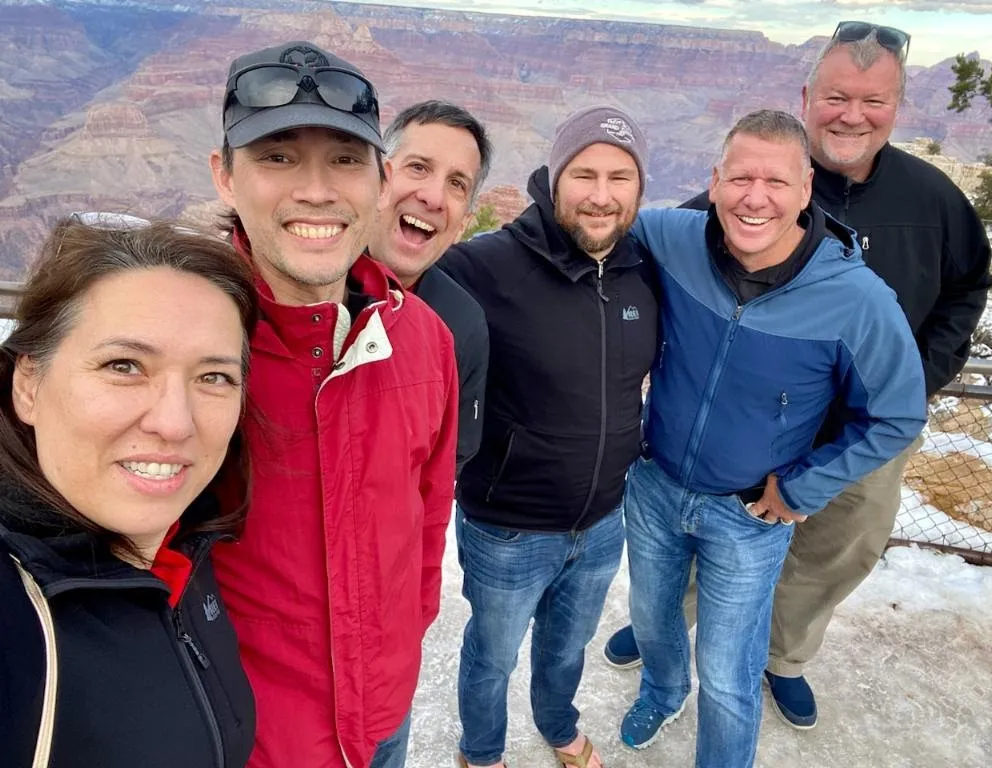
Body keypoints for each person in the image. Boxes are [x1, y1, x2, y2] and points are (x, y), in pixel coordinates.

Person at [604, 22, 992, 731]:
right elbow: (663, 252)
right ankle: (668, 634)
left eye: (873, 101)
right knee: (703, 544)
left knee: (832, 549)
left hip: (859, 428)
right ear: (808, 97)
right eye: (838, 96)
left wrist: (922, 370)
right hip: (740, 422)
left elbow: (969, 286)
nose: (852, 114)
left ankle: (782, 657)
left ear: (898, 106)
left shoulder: (933, 199)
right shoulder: (736, 198)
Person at [617, 110, 926, 766]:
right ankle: (663, 688)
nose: (755, 198)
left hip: (749, 516)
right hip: (654, 486)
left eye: (776, 182)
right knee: (651, 620)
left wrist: (805, 485)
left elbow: (899, 414)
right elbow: (595, 220)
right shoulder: (673, 238)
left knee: (729, 672)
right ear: (714, 182)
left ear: (807, 189)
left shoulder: (856, 300)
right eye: (741, 178)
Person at [207, 42, 459, 768]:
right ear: (225, 176)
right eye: (278, 157)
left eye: (346, 159)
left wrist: (403, 644)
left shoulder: (424, 340)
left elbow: (428, 511)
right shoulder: (188, 347)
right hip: (248, 737)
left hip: (381, 716)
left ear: (381, 183)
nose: (316, 190)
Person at [439, 105, 659, 768]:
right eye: (584, 174)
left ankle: (558, 724)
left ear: (640, 189)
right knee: (493, 654)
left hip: (601, 522)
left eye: (619, 177)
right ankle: (481, 752)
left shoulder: (646, 267)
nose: (601, 194)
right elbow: (395, 278)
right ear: (553, 178)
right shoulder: (486, 266)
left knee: (568, 647)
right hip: (508, 526)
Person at [0, 216, 258, 768]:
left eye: (214, 377)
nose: (175, 422)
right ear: (28, 383)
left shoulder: (186, 547)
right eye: (125, 365)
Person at [370, 100, 492, 473]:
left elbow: (450, 459)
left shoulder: (462, 325)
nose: (434, 197)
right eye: (418, 167)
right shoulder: (302, 286)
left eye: (456, 184)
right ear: (377, 181)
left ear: (463, 225)